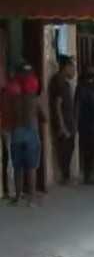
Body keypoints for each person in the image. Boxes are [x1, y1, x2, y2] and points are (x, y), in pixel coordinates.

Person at [9, 68, 45, 205]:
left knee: (18, 168)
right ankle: (32, 199)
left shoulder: (15, 99)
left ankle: (18, 197)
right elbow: (44, 117)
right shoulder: (34, 99)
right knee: (31, 168)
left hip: (17, 134)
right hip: (31, 134)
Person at [50, 55, 76, 185]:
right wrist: (61, 126)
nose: (74, 71)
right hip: (64, 123)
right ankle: (65, 178)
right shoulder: (58, 81)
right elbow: (57, 105)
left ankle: (67, 176)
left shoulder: (65, 82)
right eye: (72, 68)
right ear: (65, 67)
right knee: (64, 150)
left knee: (69, 148)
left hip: (69, 122)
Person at [76, 71, 94, 185]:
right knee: (89, 150)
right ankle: (88, 175)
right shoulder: (84, 90)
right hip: (88, 124)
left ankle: (90, 174)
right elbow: (79, 107)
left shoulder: (90, 90)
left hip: (92, 124)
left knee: (92, 150)